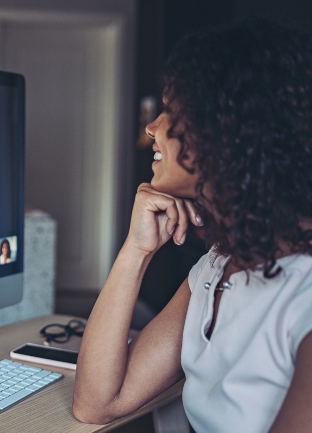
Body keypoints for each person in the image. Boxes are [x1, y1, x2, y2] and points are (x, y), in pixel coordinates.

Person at [72, 19, 312, 432]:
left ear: (228, 131)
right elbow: (98, 404)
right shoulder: (218, 266)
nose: (152, 127)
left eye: (173, 111)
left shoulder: (303, 293)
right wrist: (136, 250)